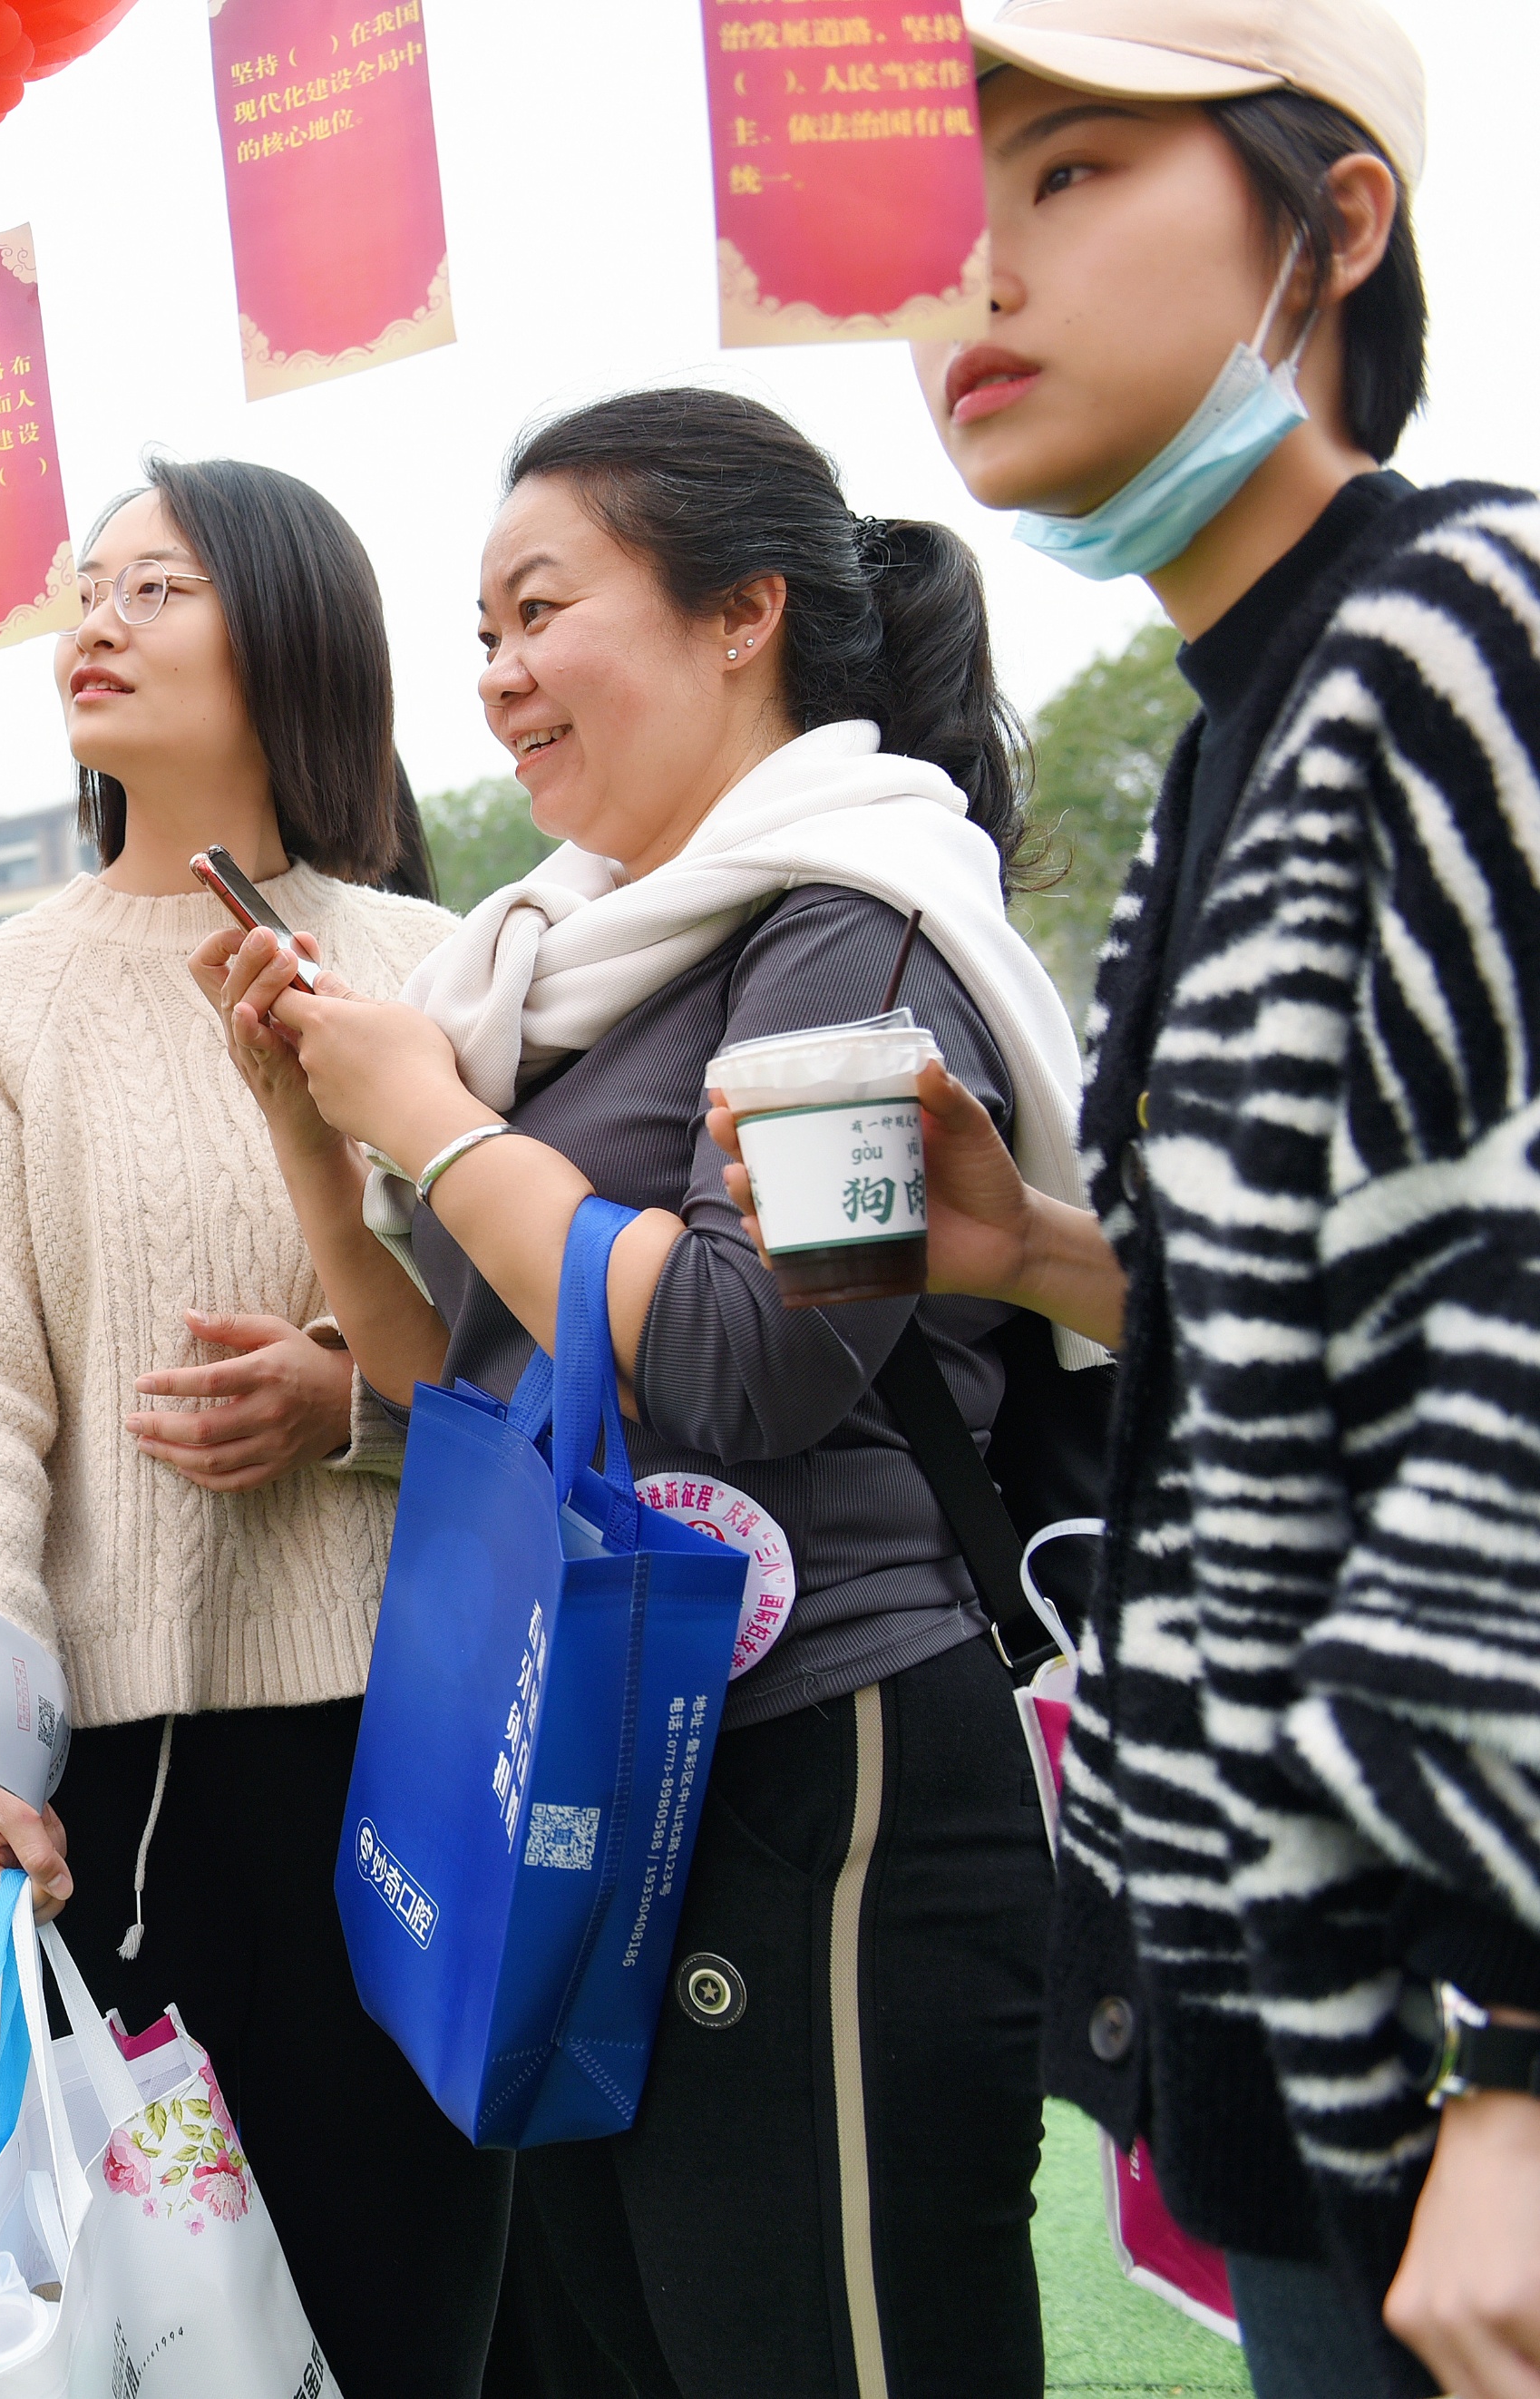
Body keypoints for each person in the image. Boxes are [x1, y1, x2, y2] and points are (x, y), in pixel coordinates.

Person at [206, 389, 1087, 2396]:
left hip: (818, 1762)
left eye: (540, 609)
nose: (500, 678)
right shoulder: (561, 953)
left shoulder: (861, 922)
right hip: (604, 1776)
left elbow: (747, 1348)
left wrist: (432, 1123)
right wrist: (312, 1131)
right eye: (482, 633)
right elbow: (462, 1378)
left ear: (737, 613)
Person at [878, 9, 1540, 2392]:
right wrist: (1040, 1255)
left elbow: (1510, 1355)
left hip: (1448, 2054)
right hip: (1300, 2022)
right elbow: (1323, 1325)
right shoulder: (1230, 730)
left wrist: (1516, 2047)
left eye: (1061, 176)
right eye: (942, 208)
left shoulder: (1463, 637)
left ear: (1332, 228)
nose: (970, 268)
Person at [0, 455, 493, 2390]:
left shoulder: (428, 962)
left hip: (418, 1737)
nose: (93, 623)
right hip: (128, 1768)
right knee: (178, 2321)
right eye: (84, 591)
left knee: (420, 2286)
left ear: (287, 625)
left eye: (154, 588)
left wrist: (347, 1405)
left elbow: (519, 1345)